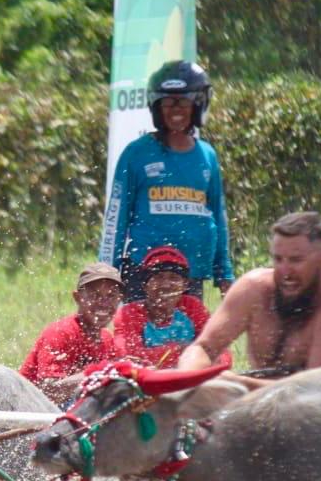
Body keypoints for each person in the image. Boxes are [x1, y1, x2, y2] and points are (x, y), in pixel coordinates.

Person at [98, 60, 233, 302]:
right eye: (168, 102)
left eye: (183, 102)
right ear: (156, 107)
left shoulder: (207, 156)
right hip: (143, 276)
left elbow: (219, 219)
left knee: (188, 329)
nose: (175, 110)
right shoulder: (136, 153)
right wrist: (107, 273)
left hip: (191, 276)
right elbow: (116, 218)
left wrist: (224, 274)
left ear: (198, 104)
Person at [178, 212, 321, 384]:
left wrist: (235, 384)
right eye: (278, 259)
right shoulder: (253, 289)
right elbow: (203, 347)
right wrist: (187, 379)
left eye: (296, 260)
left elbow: (315, 394)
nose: (285, 271)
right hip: (259, 403)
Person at [19, 262, 123, 403]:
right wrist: (99, 373)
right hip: (29, 409)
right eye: (94, 295)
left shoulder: (107, 339)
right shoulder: (60, 332)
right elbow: (50, 391)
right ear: (77, 298)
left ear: (119, 300)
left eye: (111, 296)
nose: (103, 303)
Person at [112, 246, 228, 369]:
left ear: (185, 285)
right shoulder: (130, 313)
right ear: (145, 285)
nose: (166, 285)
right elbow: (127, 356)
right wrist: (183, 350)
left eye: (174, 278)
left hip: (189, 373)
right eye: (158, 277)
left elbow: (220, 350)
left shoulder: (192, 307)